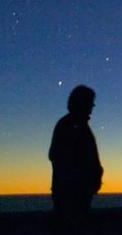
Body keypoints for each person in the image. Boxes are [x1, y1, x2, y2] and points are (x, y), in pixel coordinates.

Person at [48, 85, 103, 233]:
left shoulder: (78, 126)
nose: (92, 107)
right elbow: (57, 157)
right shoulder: (69, 125)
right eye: (90, 103)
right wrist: (82, 180)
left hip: (77, 194)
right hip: (71, 196)